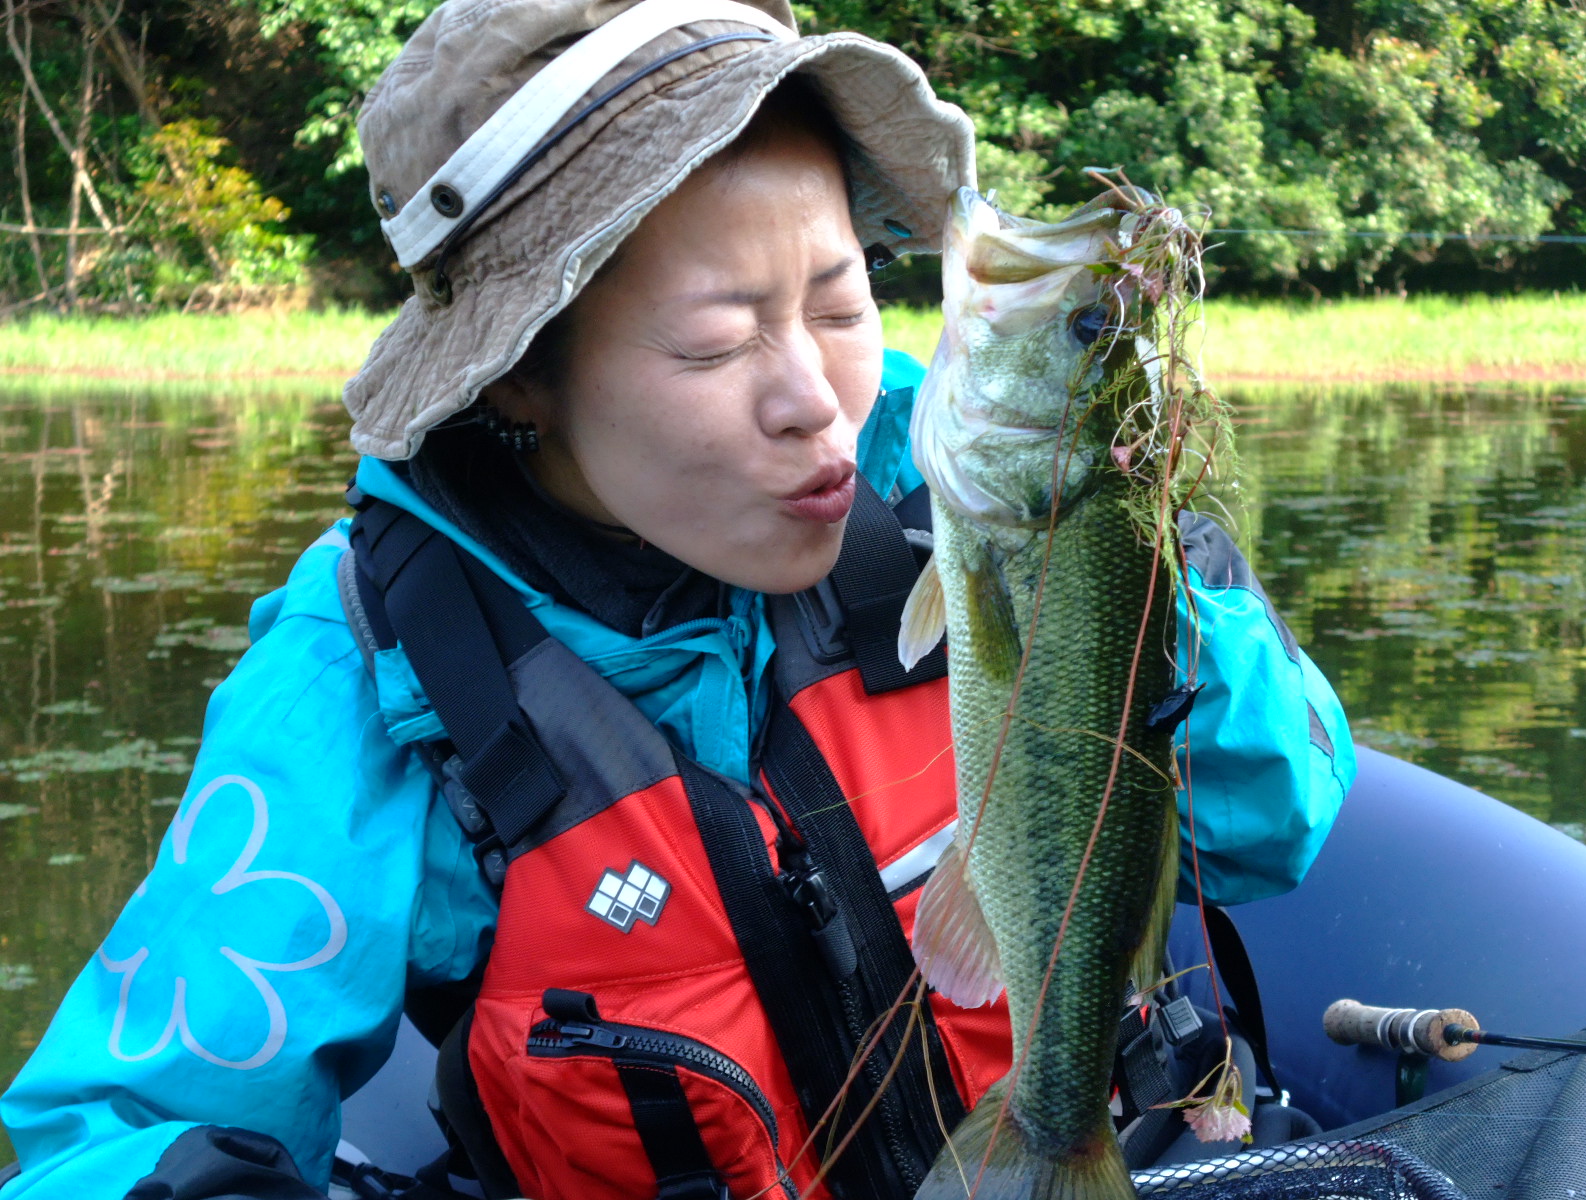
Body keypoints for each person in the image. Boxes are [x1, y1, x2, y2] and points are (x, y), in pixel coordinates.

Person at [0, 1, 1356, 1197]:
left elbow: (1267, 827)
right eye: (716, 342)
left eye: (842, 303)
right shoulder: (373, 673)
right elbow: (121, 1129)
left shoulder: (973, 486)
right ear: (517, 373)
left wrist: (1147, 581)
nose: (815, 398)